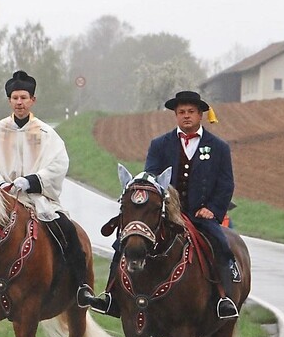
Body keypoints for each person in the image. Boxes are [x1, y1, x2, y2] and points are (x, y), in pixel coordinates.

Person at [90, 90, 240, 319]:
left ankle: (224, 298)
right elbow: (150, 175)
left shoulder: (219, 147)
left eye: (191, 112)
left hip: (201, 214)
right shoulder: (160, 144)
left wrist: (213, 209)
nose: (186, 116)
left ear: (201, 115)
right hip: (167, 213)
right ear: (176, 115)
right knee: (125, 240)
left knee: (219, 243)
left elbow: (226, 183)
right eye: (181, 112)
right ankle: (111, 296)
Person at [0, 70, 97, 308]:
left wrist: (32, 180)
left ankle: (80, 286)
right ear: (9, 100)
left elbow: (58, 163)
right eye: (14, 98)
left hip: (38, 198)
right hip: (3, 199)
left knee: (68, 231)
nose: (19, 102)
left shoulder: (46, 133)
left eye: (23, 97)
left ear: (33, 100)